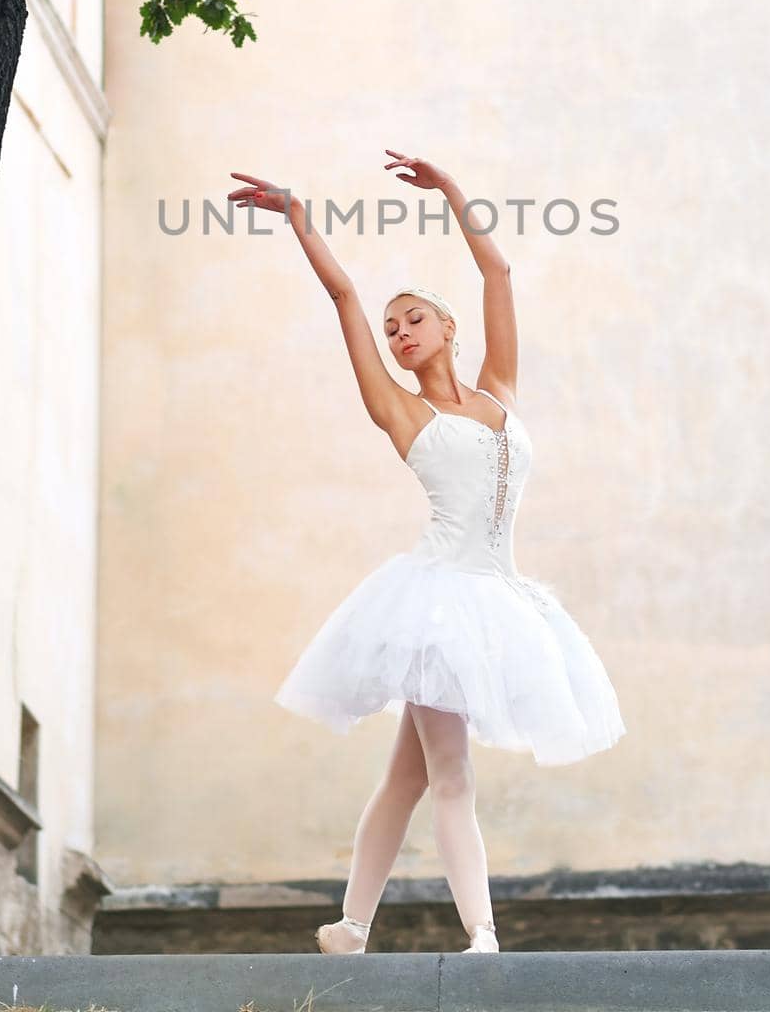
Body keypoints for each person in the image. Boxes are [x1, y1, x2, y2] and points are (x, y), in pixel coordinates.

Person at [228, 150, 626, 955]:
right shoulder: (400, 414)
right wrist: (300, 220)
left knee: (408, 777)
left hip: (499, 592)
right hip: (439, 599)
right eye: (391, 329)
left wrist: (448, 189)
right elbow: (343, 294)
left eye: (412, 319)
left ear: (447, 327)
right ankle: (482, 937)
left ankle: (349, 925)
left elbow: (500, 274)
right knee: (451, 776)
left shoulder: (498, 391)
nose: (399, 333)